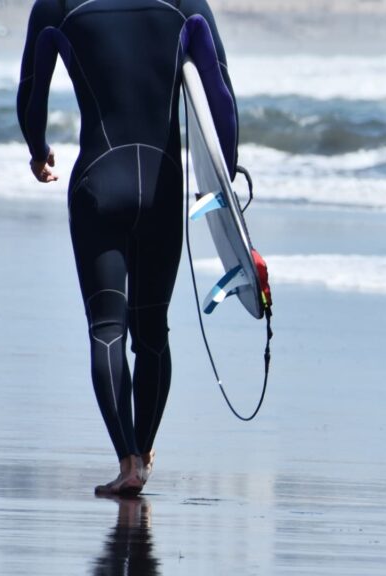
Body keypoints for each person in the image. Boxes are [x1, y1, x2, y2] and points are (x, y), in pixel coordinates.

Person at [16, 0, 238, 495]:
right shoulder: (185, 5)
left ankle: (128, 460)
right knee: (153, 333)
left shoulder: (58, 4)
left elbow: (32, 89)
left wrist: (36, 149)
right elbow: (219, 93)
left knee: (106, 329)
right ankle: (146, 448)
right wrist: (227, 170)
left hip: (98, 183)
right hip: (162, 188)